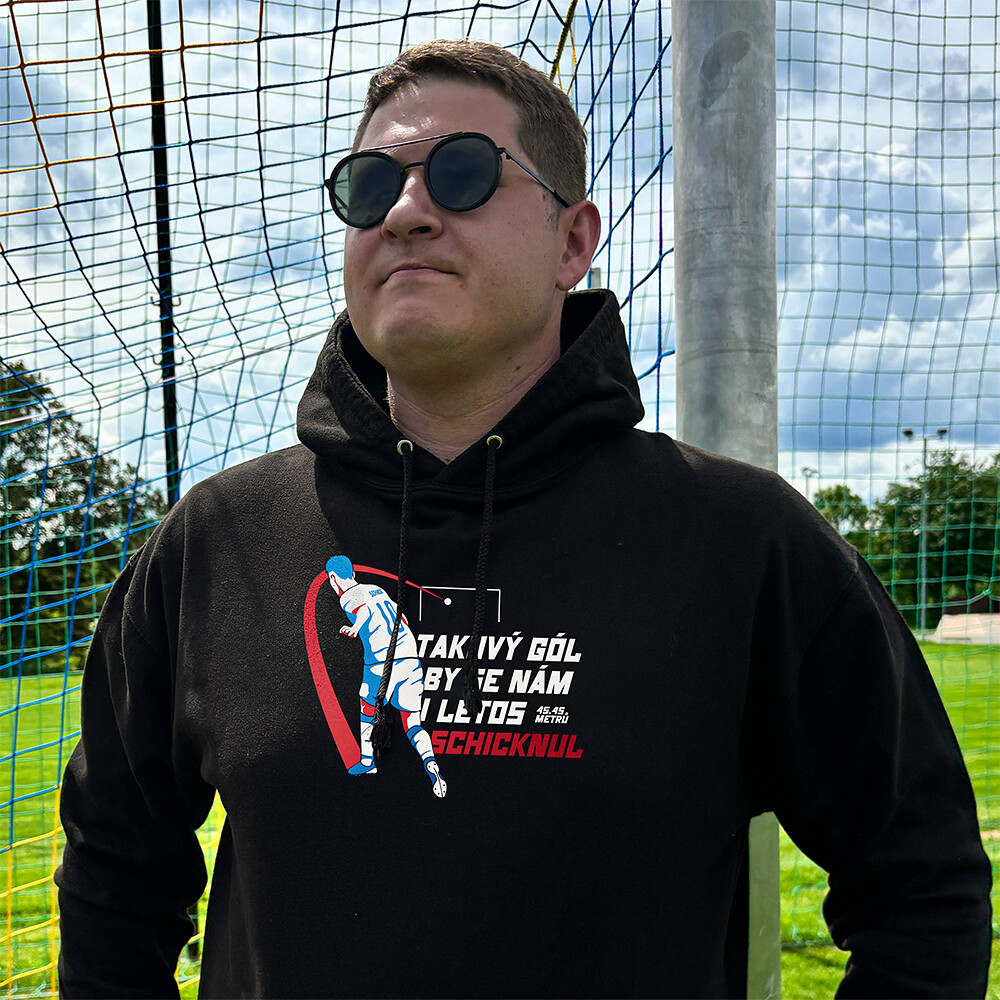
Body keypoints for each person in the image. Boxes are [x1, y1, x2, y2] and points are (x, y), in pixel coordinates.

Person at [56, 38, 991, 999]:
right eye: (370, 186)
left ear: (572, 243)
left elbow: (922, 883)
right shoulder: (220, 541)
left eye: (463, 174)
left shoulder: (742, 540)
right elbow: (114, 876)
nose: (406, 211)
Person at [326, 553, 447, 794]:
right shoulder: (376, 589)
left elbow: (363, 611)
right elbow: (402, 618)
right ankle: (430, 761)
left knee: (367, 706)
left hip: (382, 661)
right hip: (410, 657)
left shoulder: (348, 596)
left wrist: (356, 628)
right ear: (353, 573)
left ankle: (367, 762)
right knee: (412, 723)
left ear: (333, 578)